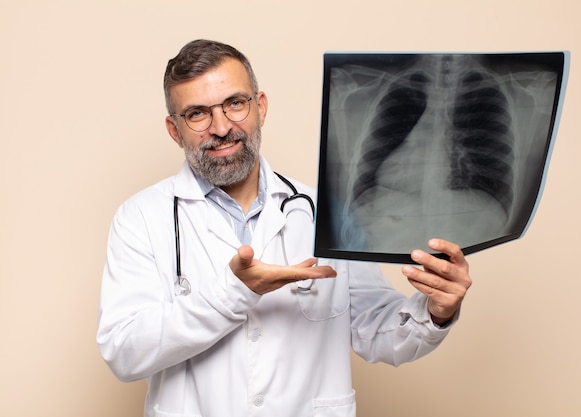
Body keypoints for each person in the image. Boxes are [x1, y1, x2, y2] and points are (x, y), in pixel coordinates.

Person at [97, 39, 472, 417]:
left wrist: (436, 311)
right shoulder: (142, 218)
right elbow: (124, 352)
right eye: (197, 113)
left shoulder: (324, 213)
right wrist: (234, 293)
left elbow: (377, 332)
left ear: (260, 107)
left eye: (235, 103)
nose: (222, 127)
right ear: (174, 130)